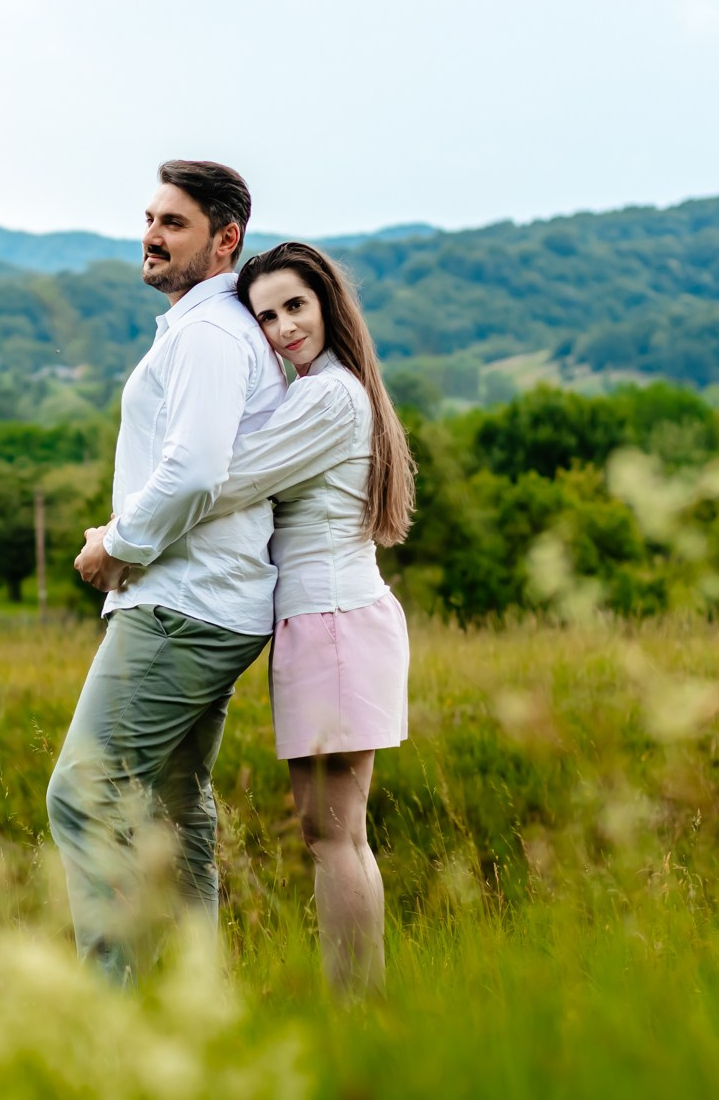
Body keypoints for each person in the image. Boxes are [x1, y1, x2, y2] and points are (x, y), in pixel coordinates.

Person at [52, 159, 286, 983]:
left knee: (83, 793)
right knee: (175, 805)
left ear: (226, 241)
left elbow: (193, 470)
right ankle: (194, 1003)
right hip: (209, 601)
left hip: (184, 606)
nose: (151, 236)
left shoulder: (211, 334)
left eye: (173, 223)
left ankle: (108, 1017)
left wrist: (118, 543)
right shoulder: (203, 328)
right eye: (149, 218)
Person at [217, 240, 417, 994]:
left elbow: (236, 477)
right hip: (329, 620)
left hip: (332, 622)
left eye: (294, 306)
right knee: (333, 832)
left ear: (327, 303)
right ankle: (359, 1008)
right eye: (265, 316)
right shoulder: (324, 389)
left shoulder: (331, 395)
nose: (281, 328)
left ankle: (355, 1013)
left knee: (333, 836)